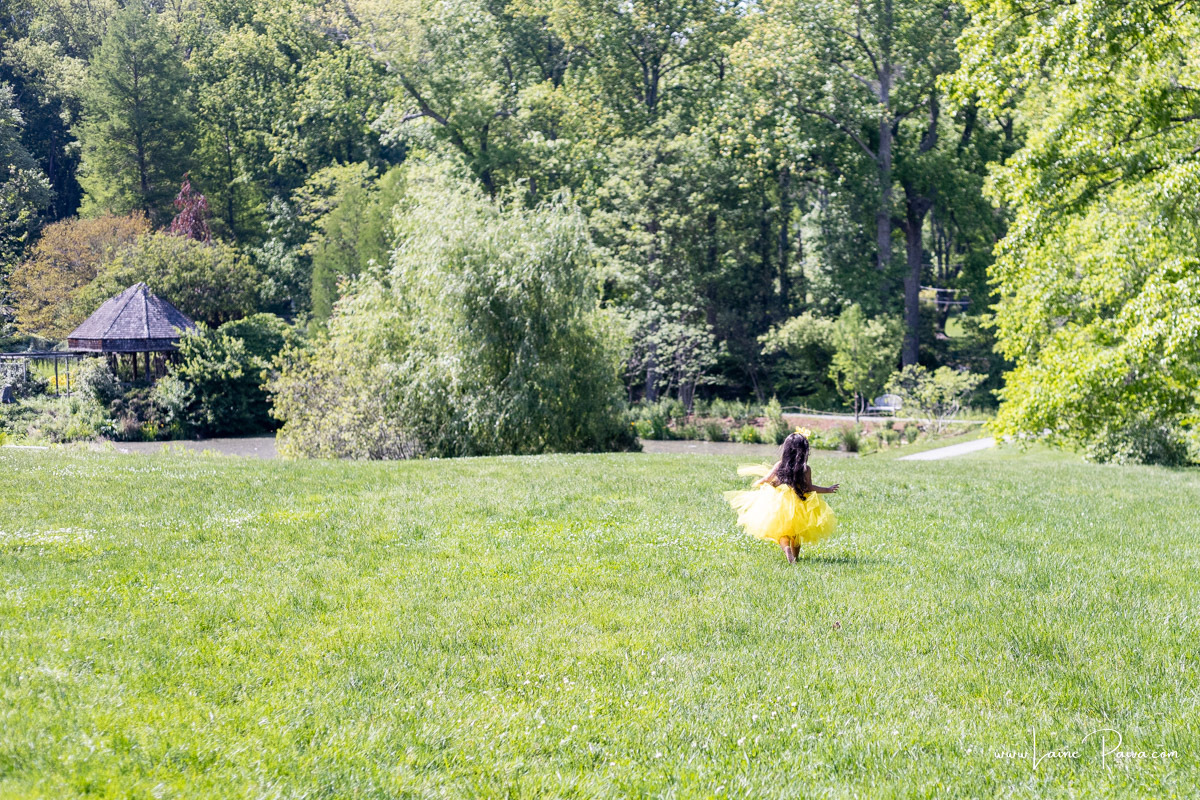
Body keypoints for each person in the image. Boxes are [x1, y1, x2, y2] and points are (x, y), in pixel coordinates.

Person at [724, 430, 838, 562]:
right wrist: (827, 489)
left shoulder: (779, 465)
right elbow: (809, 488)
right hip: (800, 502)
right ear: (804, 451)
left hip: (780, 502)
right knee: (797, 532)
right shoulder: (805, 468)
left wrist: (758, 483)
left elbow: (767, 479)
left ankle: (786, 550)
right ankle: (795, 558)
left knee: (781, 531)